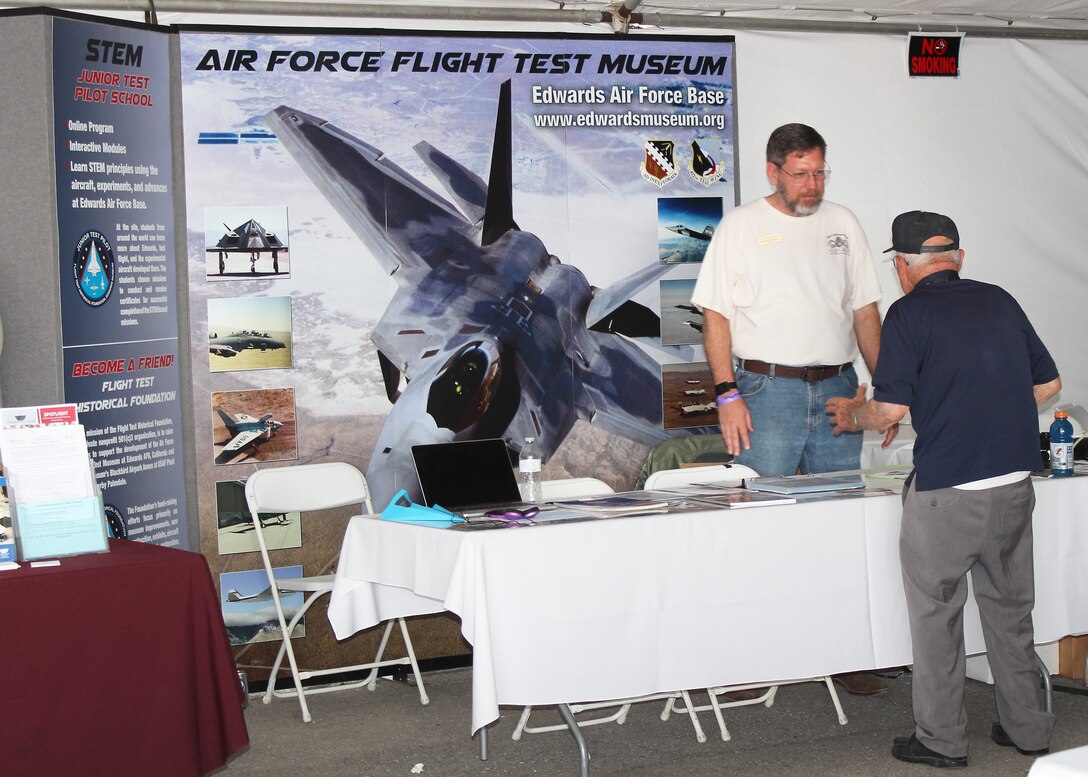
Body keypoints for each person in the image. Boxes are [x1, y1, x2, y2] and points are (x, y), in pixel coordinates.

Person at [826, 210, 1061, 768]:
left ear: (903, 268)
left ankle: (941, 740)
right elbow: (1049, 384)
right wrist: (991, 413)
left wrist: (854, 415)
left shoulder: (909, 314)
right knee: (1010, 611)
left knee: (936, 618)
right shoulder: (1000, 299)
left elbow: (889, 409)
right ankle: (1029, 728)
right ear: (958, 257)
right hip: (1012, 484)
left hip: (947, 493)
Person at [691, 122, 896, 696]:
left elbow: (865, 314)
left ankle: (847, 650)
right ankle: (751, 652)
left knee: (841, 525)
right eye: (802, 174)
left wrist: (884, 395)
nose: (813, 185)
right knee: (759, 524)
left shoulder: (843, 224)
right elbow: (716, 318)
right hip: (765, 392)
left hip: (839, 392)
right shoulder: (741, 227)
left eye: (820, 173)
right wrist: (726, 393)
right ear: (773, 171)